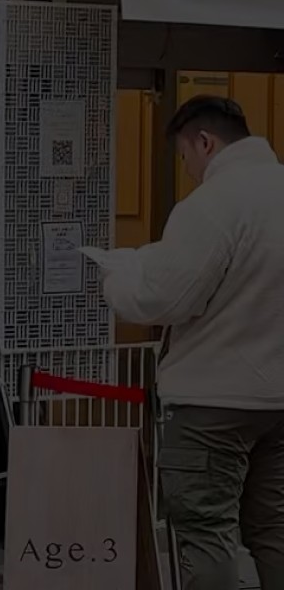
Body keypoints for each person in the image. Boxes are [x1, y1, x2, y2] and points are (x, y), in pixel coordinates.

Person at [85, 96, 284, 590]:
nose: (190, 169)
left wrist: (114, 277)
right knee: (276, 529)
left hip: (210, 402)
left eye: (185, 157)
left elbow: (163, 297)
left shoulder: (214, 203)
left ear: (205, 141)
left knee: (206, 531)